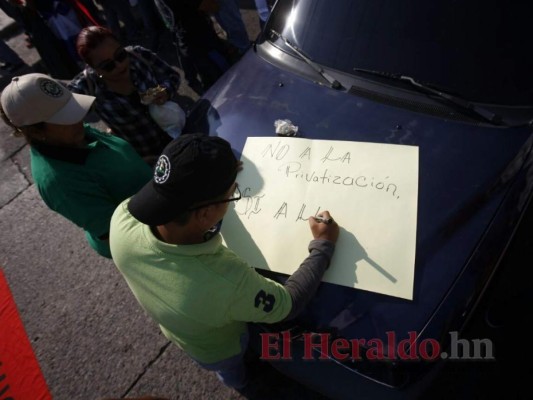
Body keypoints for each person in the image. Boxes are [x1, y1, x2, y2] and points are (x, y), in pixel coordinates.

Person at [109, 133, 339, 389]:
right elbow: (289, 303)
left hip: (182, 334)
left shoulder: (121, 219)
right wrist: (323, 245)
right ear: (207, 213)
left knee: (219, 368)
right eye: (233, 193)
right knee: (232, 370)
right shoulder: (225, 280)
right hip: (221, 348)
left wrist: (217, 179)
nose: (234, 194)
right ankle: (241, 384)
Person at [0, 72, 152, 258]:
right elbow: (117, 234)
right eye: (65, 117)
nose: (79, 118)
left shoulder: (70, 136)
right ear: (36, 132)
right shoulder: (58, 182)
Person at [68, 26, 181, 165]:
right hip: (149, 160)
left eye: (120, 55)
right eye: (108, 65)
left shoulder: (138, 55)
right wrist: (119, 153)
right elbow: (64, 130)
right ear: (93, 68)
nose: (119, 65)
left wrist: (166, 90)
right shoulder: (87, 87)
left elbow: (172, 76)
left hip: (180, 134)